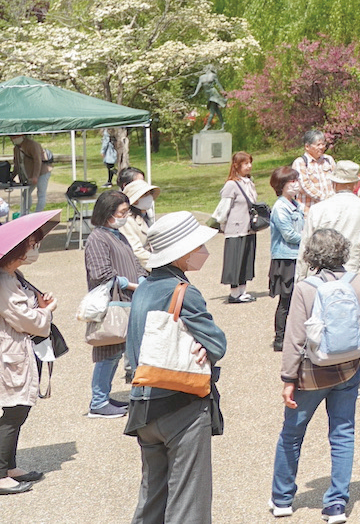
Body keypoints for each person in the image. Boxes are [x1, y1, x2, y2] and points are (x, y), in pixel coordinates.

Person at [271, 227, 360, 521]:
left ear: (312, 255)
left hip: (311, 373)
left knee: (291, 435)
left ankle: (283, 499)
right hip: (347, 369)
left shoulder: (305, 288)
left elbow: (295, 337)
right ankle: (336, 503)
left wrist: (288, 378)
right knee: (342, 434)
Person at [126, 212, 229, 524]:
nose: (204, 251)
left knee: (152, 498)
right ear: (184, 251)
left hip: (143, 404)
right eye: (198, 245)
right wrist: (202, 346)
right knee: (188, 502)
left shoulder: (143, 287)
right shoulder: (183, 290)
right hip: (180, 405)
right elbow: (217, 344)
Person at [0, 210, 57, 495]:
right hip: (9, 354)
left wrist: (38, 305)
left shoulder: (13, 275)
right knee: (14, 410)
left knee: (18, 409)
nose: (34, 249)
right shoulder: (3, 282)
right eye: (30, 244)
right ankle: (0, 472)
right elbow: (25, 320)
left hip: (15, 351)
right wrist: (45, 312)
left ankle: (8, 466)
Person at [84, 188, 144, 418]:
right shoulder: (98, 238)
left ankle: (104, 398)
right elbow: (100, 273)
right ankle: (98, 402)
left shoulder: (118, 235)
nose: (125, 216)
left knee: (119, 351)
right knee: (108, 351)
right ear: (108, 212)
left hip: (128, 299)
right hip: (113, 302)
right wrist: (130, 284)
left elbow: (134, 263)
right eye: (122, 212)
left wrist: (142, 280)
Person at [300, 161, 360, 280]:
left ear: (333, 183)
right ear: (355, 184)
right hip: (352, 274)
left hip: (320, 275)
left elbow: (305, 248)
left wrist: (300, 280)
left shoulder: (317, 209)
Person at [212, 150, 259, 304]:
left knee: (246, 259)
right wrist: (221, 224)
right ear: (237, 165)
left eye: (250, 163)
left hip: (248, 227)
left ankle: (242, 291)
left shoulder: (249, 182)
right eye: (245, 163)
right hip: (236, 228)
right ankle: (234, 293)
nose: (249, 166)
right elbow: (223, 207)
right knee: (235, 260)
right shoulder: (231, 185)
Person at [267, 168, 305, 353]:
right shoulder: (280, 207)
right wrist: (309, 239)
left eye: (297, 180)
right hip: (285, 258)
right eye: (292, 181)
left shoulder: (296, 204)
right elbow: (289, 235)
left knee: (299, 299)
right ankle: (279, 338)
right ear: (281, 185)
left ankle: (296, 335)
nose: (296, 184)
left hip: (298, 256)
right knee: (286, 299)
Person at [290, 130, 335, 211]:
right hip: (310, 210)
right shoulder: (300, 162)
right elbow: (305, 186)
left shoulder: (328, 159)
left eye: (323, 144)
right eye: (318, 145)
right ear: (307, 147)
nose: (321, 147)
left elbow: (336, 179)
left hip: (331, 207)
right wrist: (325, 198)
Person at [120, 179, 160, 268]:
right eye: (145, 194)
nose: (149, 197)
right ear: (135, 200)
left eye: (150, 193)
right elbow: (136, 251)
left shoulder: (147, 215)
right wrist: (159, 265)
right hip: (136, 268)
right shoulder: (127, 221)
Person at [9, 138, 48, 214]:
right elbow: (17, 164)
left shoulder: (32, 144)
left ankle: (38, 214)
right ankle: (24, 213)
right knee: (26, 193)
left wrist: (35, 176)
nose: (12, 139)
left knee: (41, 193)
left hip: (42, 172)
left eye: (14, 136)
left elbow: (38, 161)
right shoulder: (16, 148)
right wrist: (11, 177)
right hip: (30, 175)